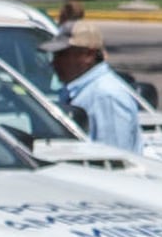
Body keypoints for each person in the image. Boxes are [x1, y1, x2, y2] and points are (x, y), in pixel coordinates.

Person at [45, 12, 149, 153]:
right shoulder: (82, 91)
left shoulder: (105, 95)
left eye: (62, 54)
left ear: (88, 55)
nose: (54, 62)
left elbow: (114, 159)